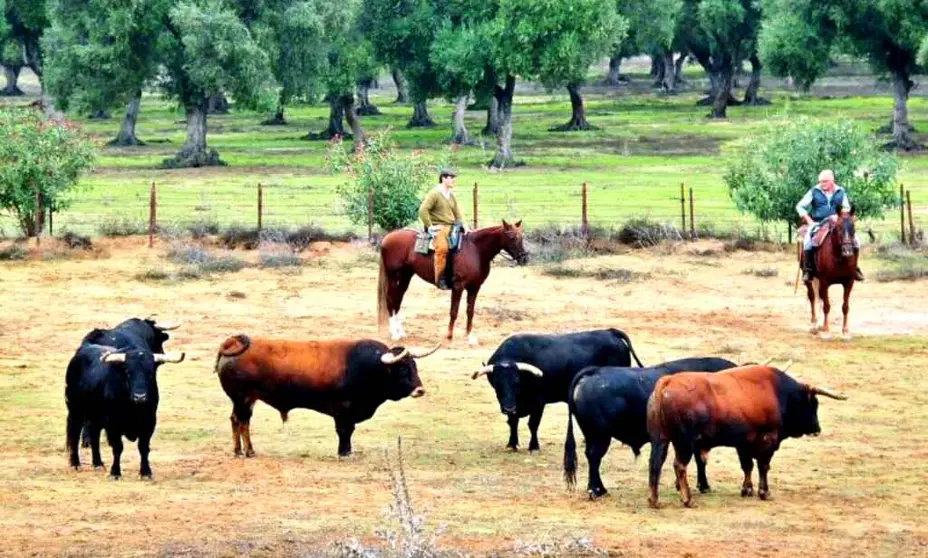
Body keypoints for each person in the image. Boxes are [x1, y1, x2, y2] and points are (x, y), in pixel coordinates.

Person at [796, 169, 864, 283]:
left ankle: (855, 268)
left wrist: (841, 216)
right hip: (818, 223)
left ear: (832, 181)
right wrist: (808, 220)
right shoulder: (814, 191)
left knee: (856, 241)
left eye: (825, 181)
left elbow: (846, 207)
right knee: (807, 241)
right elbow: (800, 206)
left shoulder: (841, 191)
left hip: (836, 223)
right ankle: (808, 270)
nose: (822, 184)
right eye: (820, 181)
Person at [418, 168, 467, 289]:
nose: (453, 180)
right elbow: (423, 210)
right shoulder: (435, 193)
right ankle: (439, 278)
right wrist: (430, 227)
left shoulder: (451, 195)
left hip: (452, 226)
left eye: (454, 177)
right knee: (442, 249)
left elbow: (457, 212)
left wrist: (464, 225)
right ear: (443, 178)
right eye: (451, 177)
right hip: (439, 227)